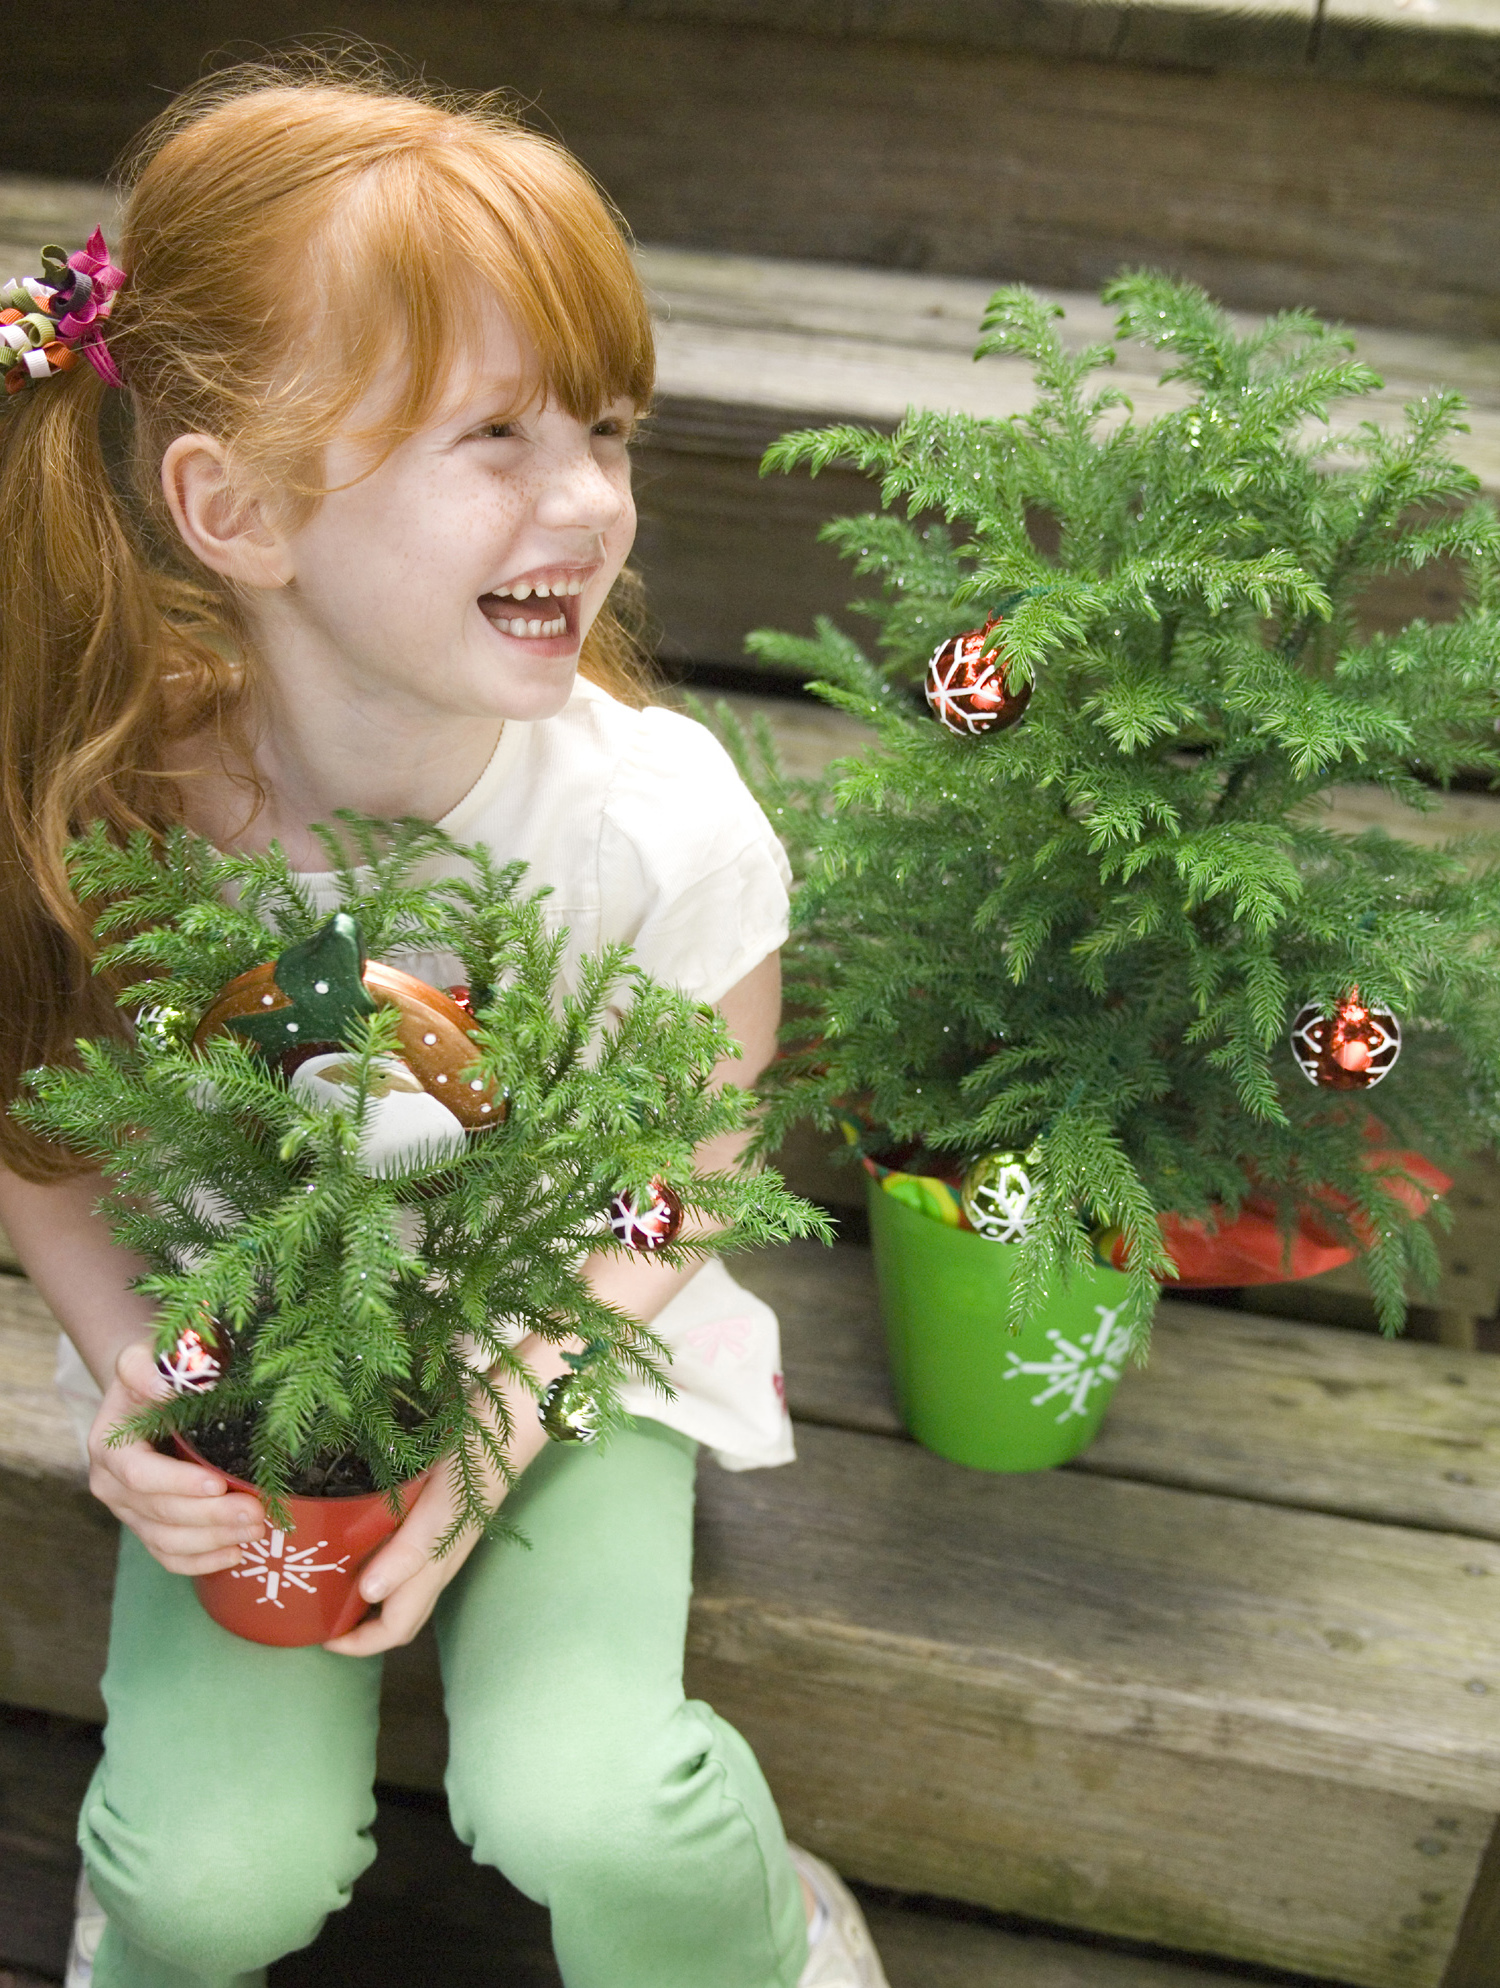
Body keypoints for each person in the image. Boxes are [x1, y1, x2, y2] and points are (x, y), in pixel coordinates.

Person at [0, 59, 888, 1988]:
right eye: (491, 435)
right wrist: (140, 1368)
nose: (588, 504)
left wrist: (514, 1392)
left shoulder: (650, 828)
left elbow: (693, 1154)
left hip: (569, 1347)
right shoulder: (132, 819)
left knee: (591, 1800)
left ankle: (776, 1931)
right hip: (261, 1364)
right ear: (237, 509)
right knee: (202, 1884)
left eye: (610, 430)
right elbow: (39, 1137)